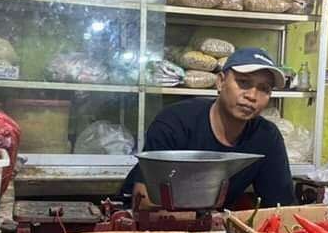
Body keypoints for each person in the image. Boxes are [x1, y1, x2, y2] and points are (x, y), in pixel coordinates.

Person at [122, 47, 295, 209]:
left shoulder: (266, 136)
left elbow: (279, 206)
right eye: (243, 83)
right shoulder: (176, 122)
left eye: (264, 89)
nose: (252, 96)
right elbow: (143, 199)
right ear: (220, 82)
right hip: (149, 225)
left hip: (214, 229)